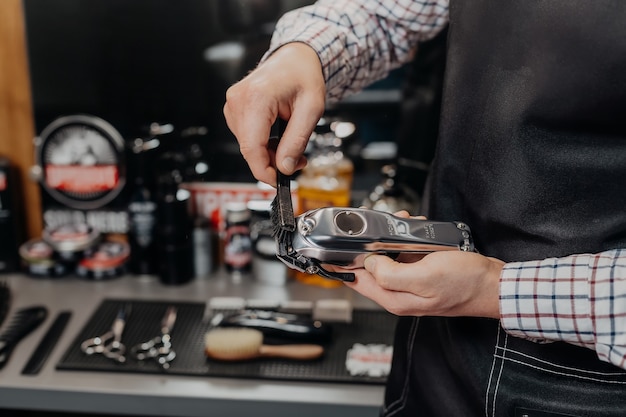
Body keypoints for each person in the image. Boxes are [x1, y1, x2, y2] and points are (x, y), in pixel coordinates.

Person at [223, 1, 626, 415]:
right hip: (438, 352)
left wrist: (495, 289)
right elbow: (386, 13)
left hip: (584, 386)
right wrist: (301, 53)